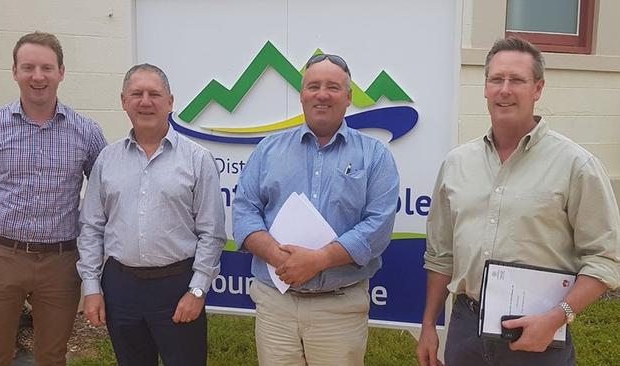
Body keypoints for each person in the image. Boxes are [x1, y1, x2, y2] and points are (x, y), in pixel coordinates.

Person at [417, 37, 620, 366]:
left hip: (538, 333)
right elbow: (441, 256)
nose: (505, 90)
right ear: (484, 87)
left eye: (517, 80)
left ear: (538, 89)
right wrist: (429, 326)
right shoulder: (456, 163)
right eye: (496, 79)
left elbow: (604, 260)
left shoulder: (576, 165)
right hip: (465, 330)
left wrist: (557, 318)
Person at [232, 54, 400, 366]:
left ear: (348, 97)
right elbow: (244, 210)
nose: (322, 94)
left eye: (333, 87)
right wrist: (275, 255)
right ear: (302, 95)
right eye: (314, 86)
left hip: (339, 308)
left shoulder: (375, 155)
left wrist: (318, 260)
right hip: (276, 305)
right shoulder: (268, 149)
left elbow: (378, 226)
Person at [0, 31, 107, 366]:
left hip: (61, 262)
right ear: (14, 72)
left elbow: (105, 193)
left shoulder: (86, 132)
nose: (38, 76)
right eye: (28, 67)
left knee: (52, 356)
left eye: (47, 67)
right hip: (2, 257)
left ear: (61, 72)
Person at [77, 63, 226, 366]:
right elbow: (91, 227)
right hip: (121, 286)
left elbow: (211, 233)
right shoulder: (108, 159)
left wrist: (197, 290)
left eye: (155, 94)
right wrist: (91, 287)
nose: (146, 101)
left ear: (170, 101)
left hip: (177, 285)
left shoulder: (197, 159)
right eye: (137, 94)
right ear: (123, 101)